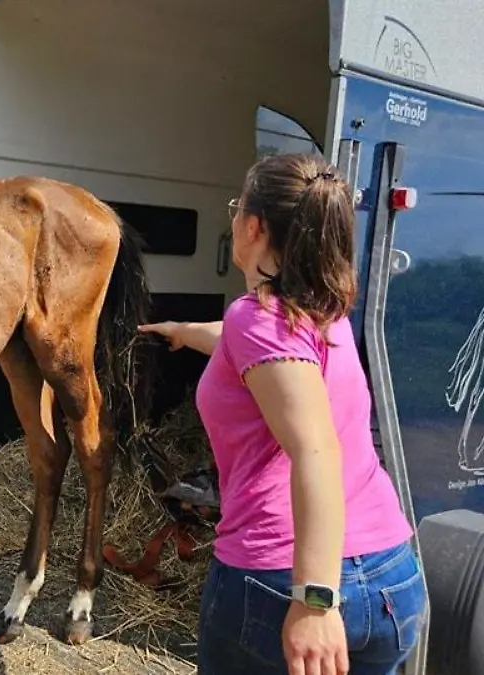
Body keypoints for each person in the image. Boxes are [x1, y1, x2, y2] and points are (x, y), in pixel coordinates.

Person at [139, 153, 427, 675]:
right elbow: (253, 345)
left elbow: (316, 450)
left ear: (252, 226)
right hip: (391, 578)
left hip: (282, 578)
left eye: (236, 208)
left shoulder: (255, 317)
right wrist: (183, 330)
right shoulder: (323, 312)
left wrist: (315, 601)